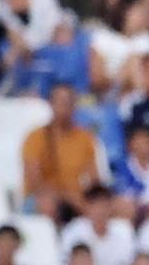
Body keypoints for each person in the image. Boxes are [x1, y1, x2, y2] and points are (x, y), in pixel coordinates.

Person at [21, 82, 99, 219]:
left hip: (77, 199)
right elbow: (35, 182)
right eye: (60, 101)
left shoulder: (85, 138)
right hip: (42, 197)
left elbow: (94, 180)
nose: (65, 106)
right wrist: (67, 196)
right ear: (51, 104)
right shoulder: (35, 137)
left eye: (69, 102)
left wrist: (90, 202)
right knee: (48, 204)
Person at [61, 185, 135, 265]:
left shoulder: (124, 231)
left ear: (111, 207)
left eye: (104, 205)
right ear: (86, 207)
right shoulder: (73, 231)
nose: (100, 211)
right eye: (95, 205)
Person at [88, 0, 149, 96]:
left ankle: (143, 100)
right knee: (133, 61)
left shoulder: (147, 41)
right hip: (109, 93)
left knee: (135, 61)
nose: (143, 17)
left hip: (135, 90)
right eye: (138, 13)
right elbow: (96, 79)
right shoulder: (102, 38)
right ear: (124, 13)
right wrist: (122, 76)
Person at [112, 122, 149, 217]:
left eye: (146, 140)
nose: (142, 144)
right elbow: (122, 193)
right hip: (130, 216)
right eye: (139, 139)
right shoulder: (120, 167)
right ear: (130, 143)